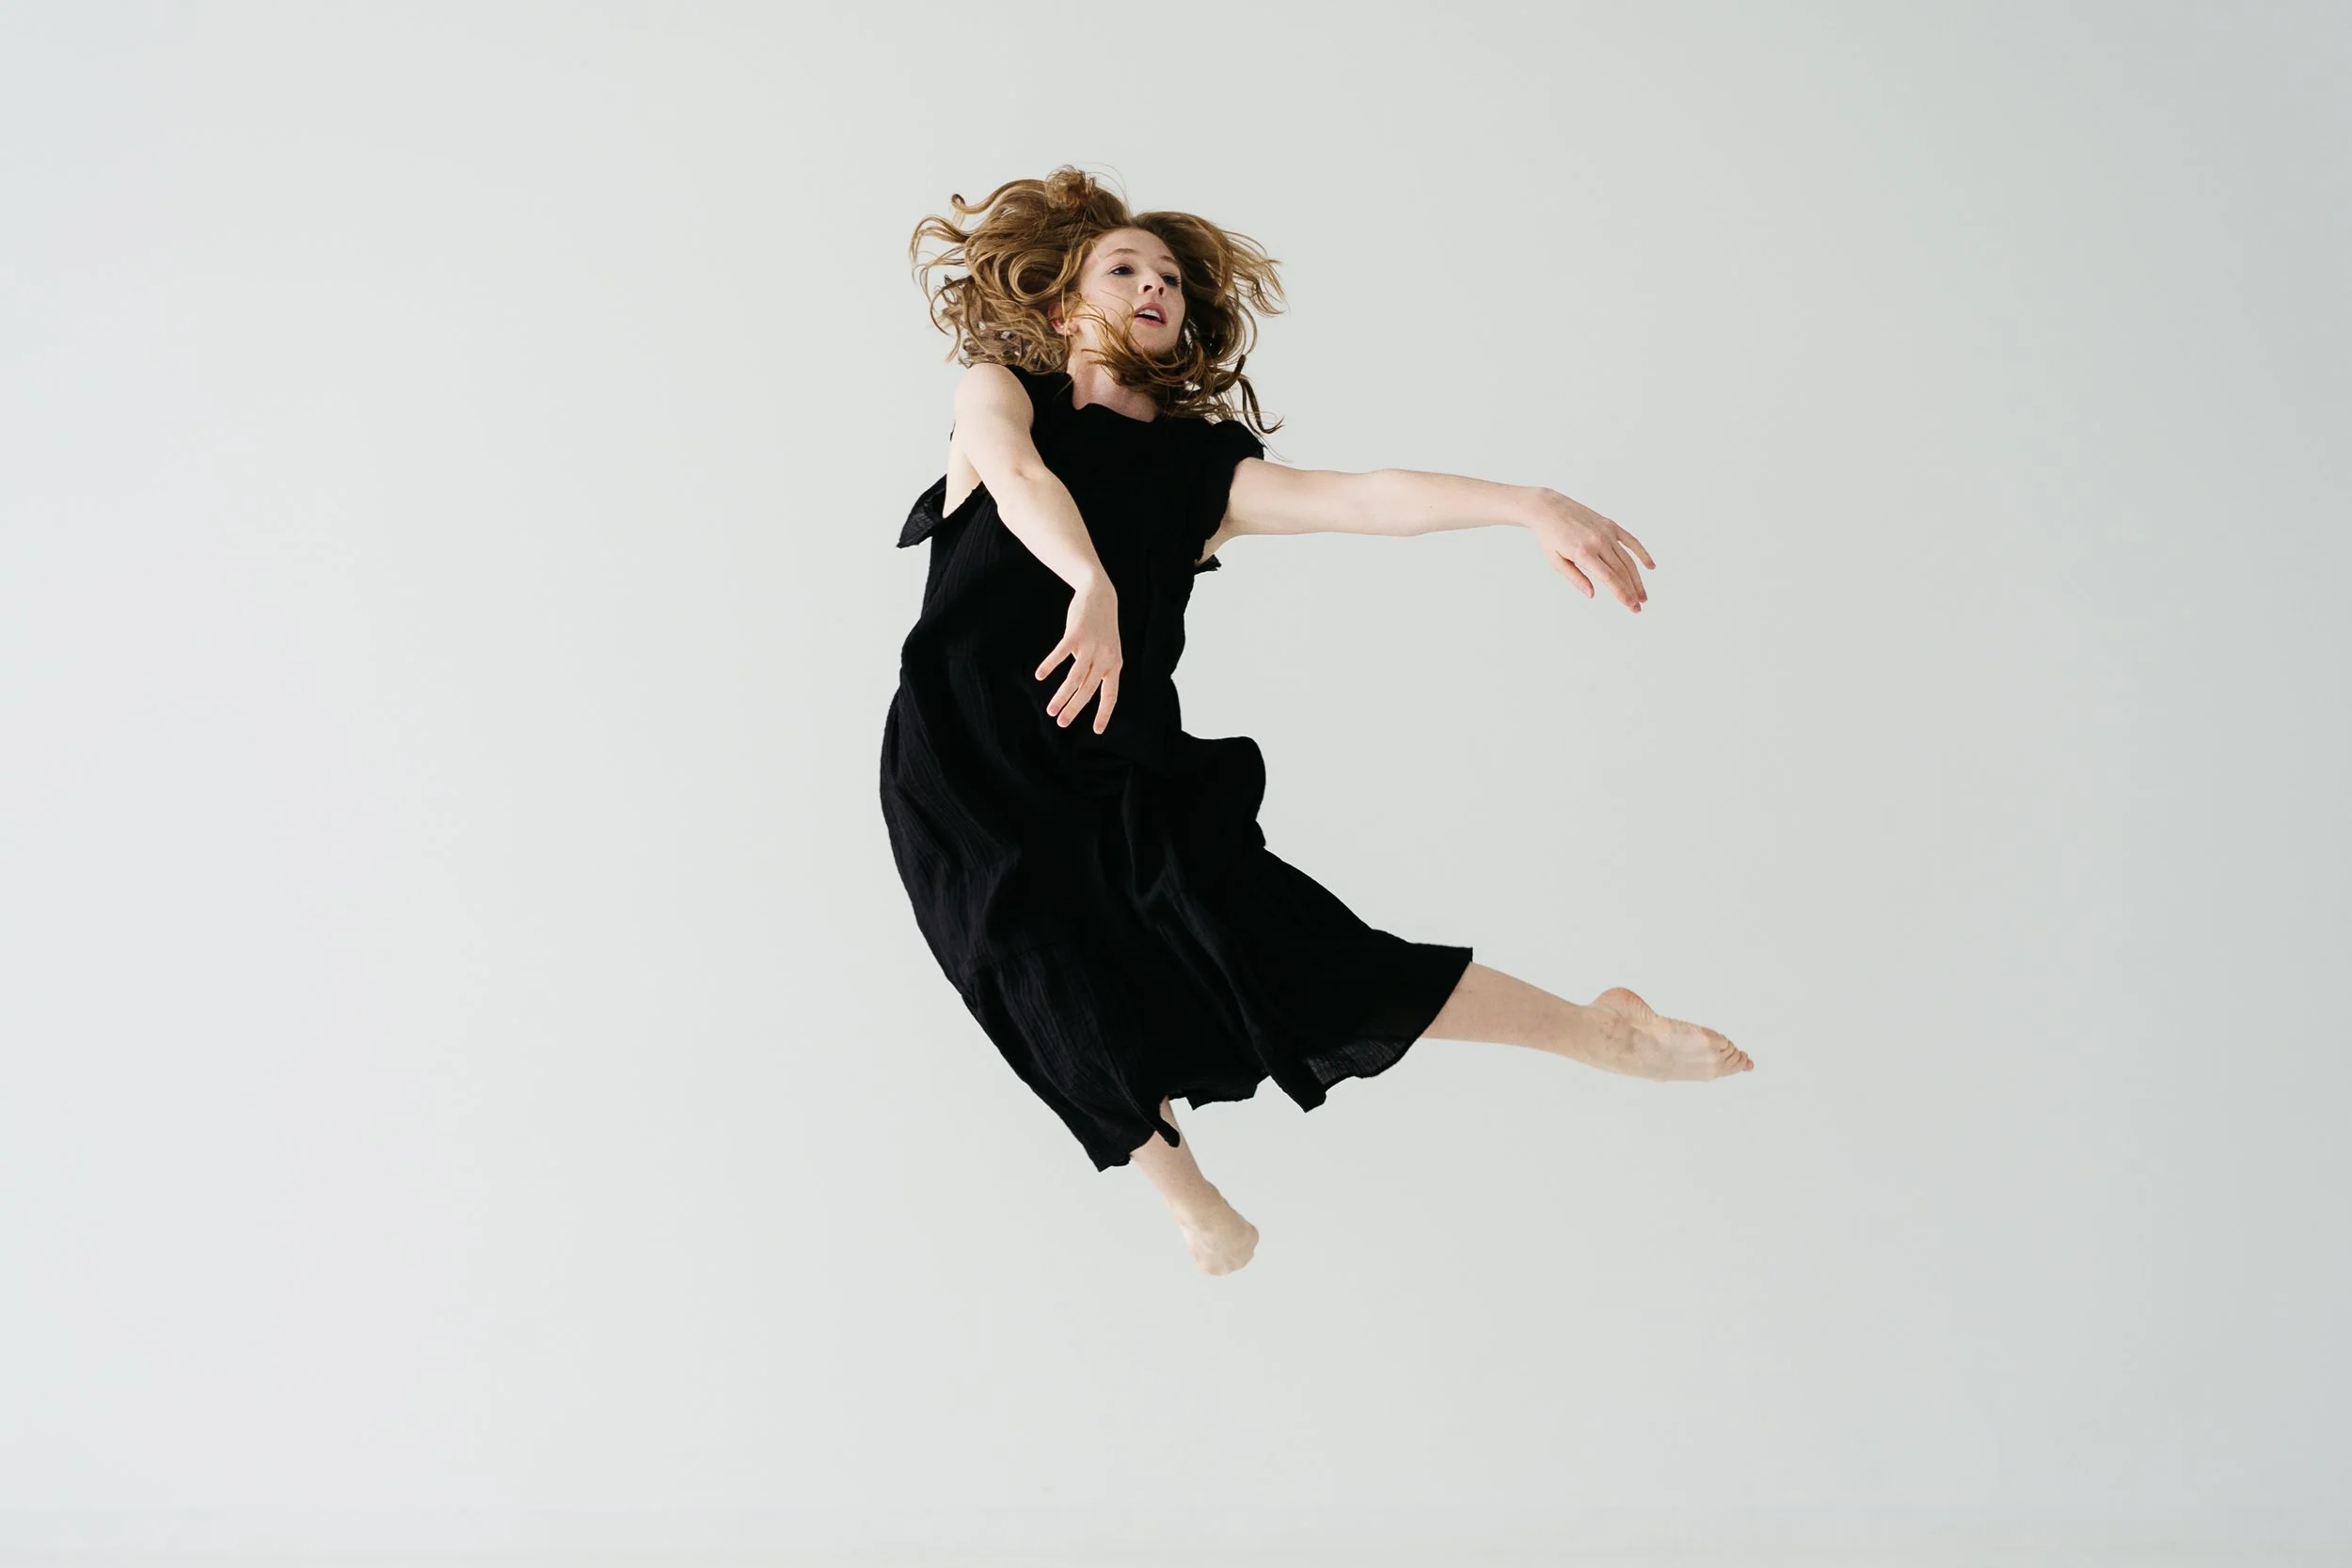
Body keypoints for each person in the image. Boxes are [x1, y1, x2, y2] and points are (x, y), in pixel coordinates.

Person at [882, 167, 1752, 1276]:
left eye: (1169, 279)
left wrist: (1526, 504)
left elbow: (1368, 496)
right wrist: (1088, 582)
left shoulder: (1201, 474)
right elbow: (1014, 476)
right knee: (1031, 973)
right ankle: (1191, 1197)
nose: (1155, 286)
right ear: (1061, 309)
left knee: (1291, 957)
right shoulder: (1002, 395)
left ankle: (1597, 1028)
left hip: (1114, 774)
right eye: (1125, 269)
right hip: (962, 766)